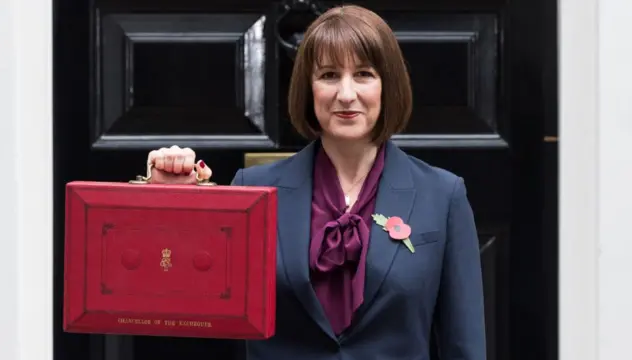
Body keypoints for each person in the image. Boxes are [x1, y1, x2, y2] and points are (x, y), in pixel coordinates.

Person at [146, 5, 486, 360]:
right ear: (308, 88)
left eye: (364, 74)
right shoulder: (253, 190)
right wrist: (170, 203)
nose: (346, 93)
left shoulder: (443, 195)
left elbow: (464, 345)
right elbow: (187, 303)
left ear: (389, 85)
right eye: (328, 75)